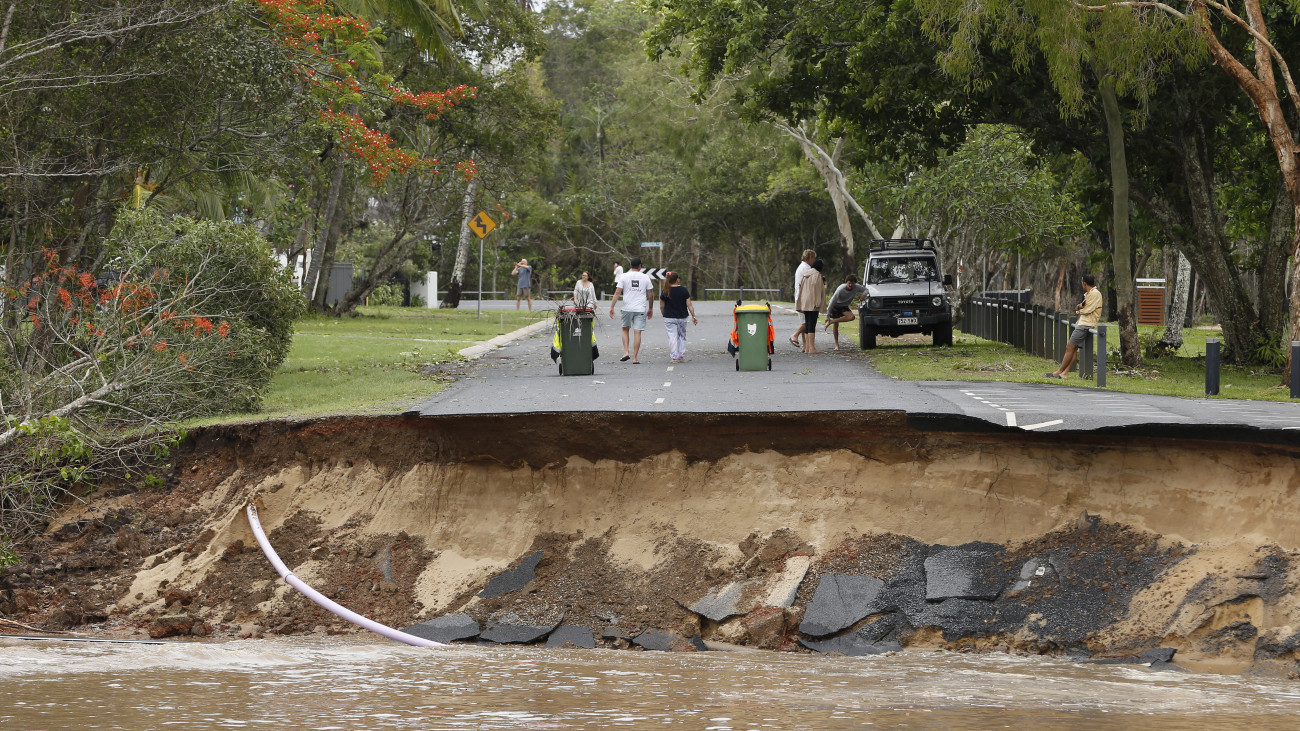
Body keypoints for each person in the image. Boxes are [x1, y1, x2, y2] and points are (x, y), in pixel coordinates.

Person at [1047, 274, 1102, 379]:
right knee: (1073, 348)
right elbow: (1083, 305)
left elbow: (1088, 309)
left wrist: (1078, 310)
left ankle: (1059, 371)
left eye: (1082, 282)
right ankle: (1064, 373)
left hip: (1085, 324)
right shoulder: (1089, 294)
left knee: (1069, 347)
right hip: (1083, 323)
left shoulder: (1095, 294)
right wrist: (1080, 308)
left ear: (1084, 283)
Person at [609, 256, 655, 363]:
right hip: (640, 308)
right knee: (637, 332)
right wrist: (651, 308)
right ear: (640, 266)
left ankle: (626, 352)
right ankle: (635, 358)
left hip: (627, 308)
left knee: (625, 329)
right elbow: (650, 294)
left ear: (630, 265)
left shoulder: (624, 276)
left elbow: (617, 292)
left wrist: (612, 306)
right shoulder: (645, 277)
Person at [659, 271, 698, 363]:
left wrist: (664, 314)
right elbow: (689, 305)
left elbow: (662, 306)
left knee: (672, 336)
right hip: (682, 317)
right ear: (677, 280)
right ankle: (681, 354)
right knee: (682, 335)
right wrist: (694, 316)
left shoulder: (665, 291)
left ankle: (674, 356)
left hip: (669, 317)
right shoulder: (683, 290)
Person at [823, 274, 867, 350]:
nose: (850, 285)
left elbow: (866, 290)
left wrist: (863, 295)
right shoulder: (840, 289)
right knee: (836, 326)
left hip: (844, 306)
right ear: (846, 282)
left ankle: (832, 321)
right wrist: (827, 315)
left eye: (852, 283)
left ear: (855, 283)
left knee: (852, 317)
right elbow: (832, 302)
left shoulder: (856, 287)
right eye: (849, 283)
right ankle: (836, 345)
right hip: (835, 305)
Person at [795, 258, 826, 354]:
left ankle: (808, 347)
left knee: (807, 324)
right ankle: (812, 348)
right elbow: (817, 291)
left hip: (805, 302)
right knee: (812, 324)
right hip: (813, 303)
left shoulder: (806, 274)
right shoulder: (817, 275)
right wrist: (819, 304)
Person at [788, 249, 816, 348]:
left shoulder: (802, 267)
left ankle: (805, 346)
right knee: (808, 322)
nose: (814, 260)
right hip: (803, 298)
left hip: (799, 297)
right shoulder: (806, 268)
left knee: (804, 321)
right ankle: (795, 335)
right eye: (813, 258)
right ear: (810, 258)